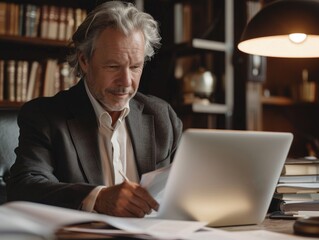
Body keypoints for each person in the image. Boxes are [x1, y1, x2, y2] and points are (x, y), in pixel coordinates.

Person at [6, 1, 183, 218]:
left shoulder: (162, 116)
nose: (126, 81)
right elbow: (24, 186)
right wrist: (98, 198)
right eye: (112, 66)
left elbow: (187, 186)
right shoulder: (44, 116)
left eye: (135, 67)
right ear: (84, 60)